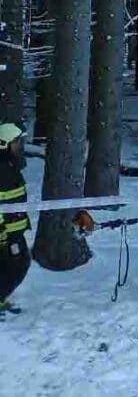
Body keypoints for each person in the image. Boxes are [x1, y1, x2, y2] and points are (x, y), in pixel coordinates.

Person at [0, 122, 29, 316]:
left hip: (13, 230)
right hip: (6, 232)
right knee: (19, 264)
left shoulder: (8, 165)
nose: (20, 146)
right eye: (17, 142)